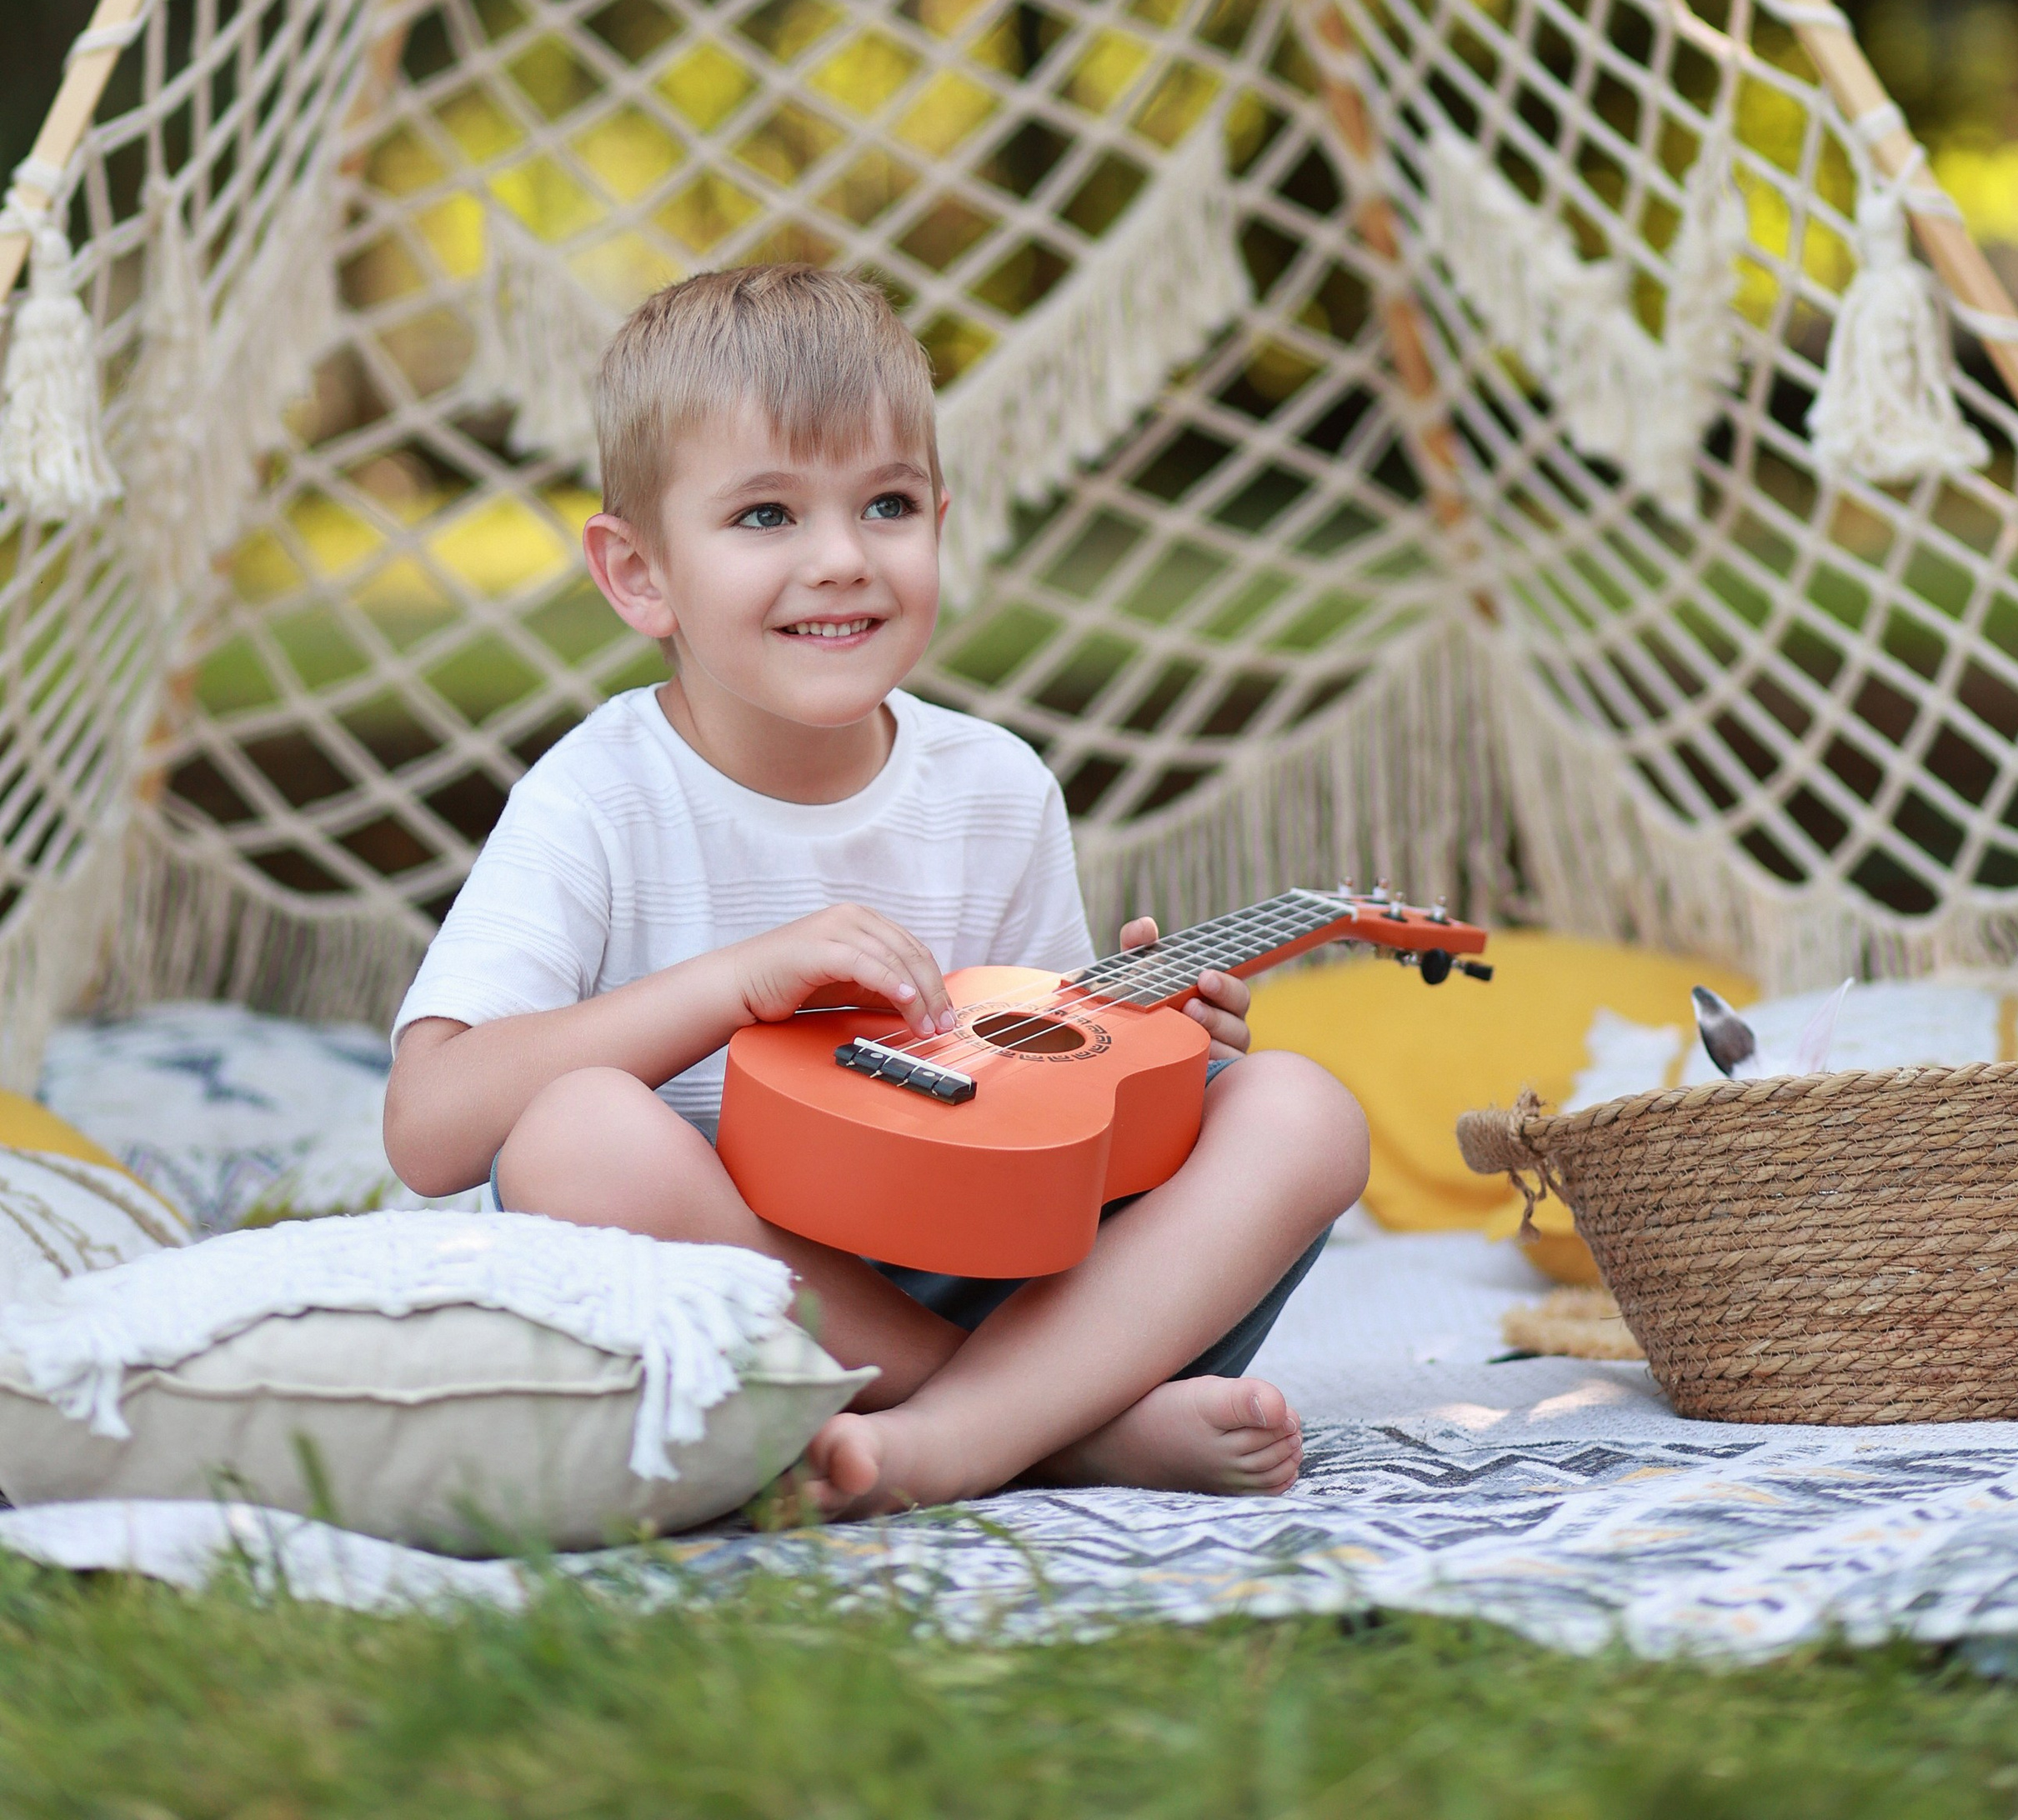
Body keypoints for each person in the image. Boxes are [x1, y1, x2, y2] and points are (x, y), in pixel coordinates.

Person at [383, 265, 1370, 1513]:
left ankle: (952, 1434)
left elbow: (1043, 1142)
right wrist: (734, 986)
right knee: (576, 1133)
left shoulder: (994, 786)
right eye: (765, 518)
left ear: (940, 524)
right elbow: (429, 1129)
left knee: (1301, 1107)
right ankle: (1049, 1436)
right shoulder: (599, 797)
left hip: (983, 1277)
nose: (842, 560)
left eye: (888, 504)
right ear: (639, 576)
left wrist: (1153, 1065)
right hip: (723, 1288)